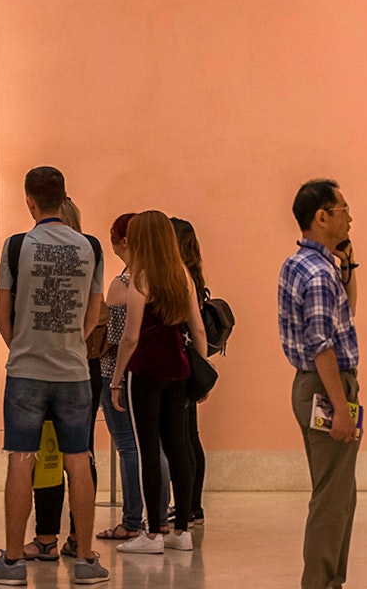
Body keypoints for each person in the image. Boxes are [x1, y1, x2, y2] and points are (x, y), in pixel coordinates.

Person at [0, 167, 108, 586]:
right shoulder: (91, 247)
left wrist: (23, 346)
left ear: (29, 200)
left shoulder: (18, 246)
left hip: (26, 372)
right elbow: (94, 314)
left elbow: (0, 316)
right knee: (78, 459)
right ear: (64, 196)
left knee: (21, 458)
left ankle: (13, 562)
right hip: (73, 371)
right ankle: (86, 560)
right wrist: (70, 342)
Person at [278, 180, 360, 589]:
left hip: (315, 383)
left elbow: (347, 314)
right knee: (332, 497)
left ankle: (331, 579)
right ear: (321, 216)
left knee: (340, 493)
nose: (349, 217)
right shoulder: (316, 273)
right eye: (343, 209)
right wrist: (341, 406)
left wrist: (349, 266)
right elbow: (322, 345)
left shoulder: (306, 264)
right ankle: (321, 582)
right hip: (326, 384)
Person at [110, 211, 204, 555]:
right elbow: (198, 330)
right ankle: (182, 531)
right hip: (178, 371)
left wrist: (116, 380)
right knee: (178, 445)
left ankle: (151, 534)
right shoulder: (182, 276)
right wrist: (201, 361)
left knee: (148, 449)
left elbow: (130, 338)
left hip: (145, 373)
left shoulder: (141, 278)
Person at [26, 198, 105, 560]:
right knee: (80, 453)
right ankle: (79, 537)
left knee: (48, 454)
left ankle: (45, 537)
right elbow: (96, 313)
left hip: (44, 365)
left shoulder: (34, 256)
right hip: (83, 366)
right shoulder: (89, 255)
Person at [96, 213, 163, 542]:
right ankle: (161, 518)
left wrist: (114, 379)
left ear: (123, 241)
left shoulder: (123, 283)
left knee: (128, 448)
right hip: (153, 373)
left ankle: (132, 520)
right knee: (156, 448)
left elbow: (117, 336)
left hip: (118, 374)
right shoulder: (163, 278)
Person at [170, 216, 209, 526]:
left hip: (178, 365)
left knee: (182, 439)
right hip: (190, 362)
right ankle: (193, 505)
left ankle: (190, 506)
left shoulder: (177, 278)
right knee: (190, 436)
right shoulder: (193, 277)